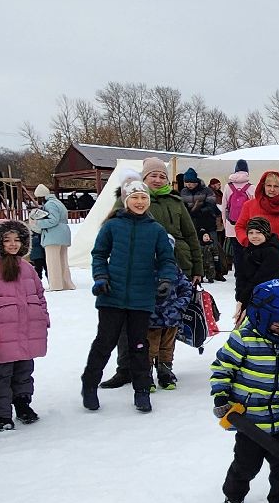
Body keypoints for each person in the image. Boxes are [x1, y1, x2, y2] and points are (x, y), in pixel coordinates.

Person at [210, 279, 279, 503]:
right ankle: (233, 496)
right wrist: (220, 397)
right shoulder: (243, 339)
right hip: (251, 421)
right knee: (245, 466)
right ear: (261, 316)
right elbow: (222, 369)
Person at [84, 180, 177, 414]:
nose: (139, 202)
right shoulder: (113, 226)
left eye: (143, 197)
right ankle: (89, 385)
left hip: (141, 297)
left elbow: (166, 259)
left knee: (139, 345)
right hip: (111, 295)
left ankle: (142, 391)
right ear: (126, 201)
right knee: (104, 343)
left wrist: (165, 280)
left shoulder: (156, 230)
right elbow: (99, 254)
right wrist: (101, 277)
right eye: (134, 197)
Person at [0, 219, 51, 430]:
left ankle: (23, 404)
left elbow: (39, 295)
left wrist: (43, 317)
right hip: (1, 333)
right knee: (0, 374)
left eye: (17, 240)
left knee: (24, 371)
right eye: (7, 240)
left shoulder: (27, 268)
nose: (13, 244)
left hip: (27, 330)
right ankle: (1, 413)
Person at [235, 169, 279, 280]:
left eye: (276, 186)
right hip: (256, 259)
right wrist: (246, 241)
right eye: (269, 185)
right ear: (263, 186)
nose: (272, 189)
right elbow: (239, 227)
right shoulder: (249, 205)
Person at [233, 217, 279, 324]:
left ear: (266, 233)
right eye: (251, 232)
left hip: (266, 299)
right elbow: (240, 275)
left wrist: (243, 300)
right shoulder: (249, 249)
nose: (254, 236)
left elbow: (260, 279)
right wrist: (240, 299)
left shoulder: (272, 252)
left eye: (258, 232)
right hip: (248, 297)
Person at [179, 169, 224, 281]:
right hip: (193, 223)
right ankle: (199, 271)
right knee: (197, 247)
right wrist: (189, 212)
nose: (189, 185)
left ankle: (218, 271)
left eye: (191, 182)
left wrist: (200, 210)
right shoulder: (184, 192)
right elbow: (182, 205)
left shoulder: (207, 191)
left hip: (208, 222)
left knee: (213, 247)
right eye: (187, 182)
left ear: (196, 181)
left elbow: (211, 204)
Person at [28, 185, 75, 290]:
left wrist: (38, 222)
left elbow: (53, 220)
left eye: (38, 198)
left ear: (42, 196)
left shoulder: (50, 204)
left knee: (53, 261)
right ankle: (66, 283)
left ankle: (56, 285)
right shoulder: (58, 202)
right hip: (63, 234)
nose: (38, 201)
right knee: (63, 261)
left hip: (53, 235)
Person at [222, 160, 253, 243]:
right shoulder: (251, 187)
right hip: (247, 227)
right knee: (248, 251)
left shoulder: (227, 187)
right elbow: (255, 208)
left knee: (236, 253)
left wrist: (226, 226)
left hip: (231, 225)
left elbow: (224, 207)